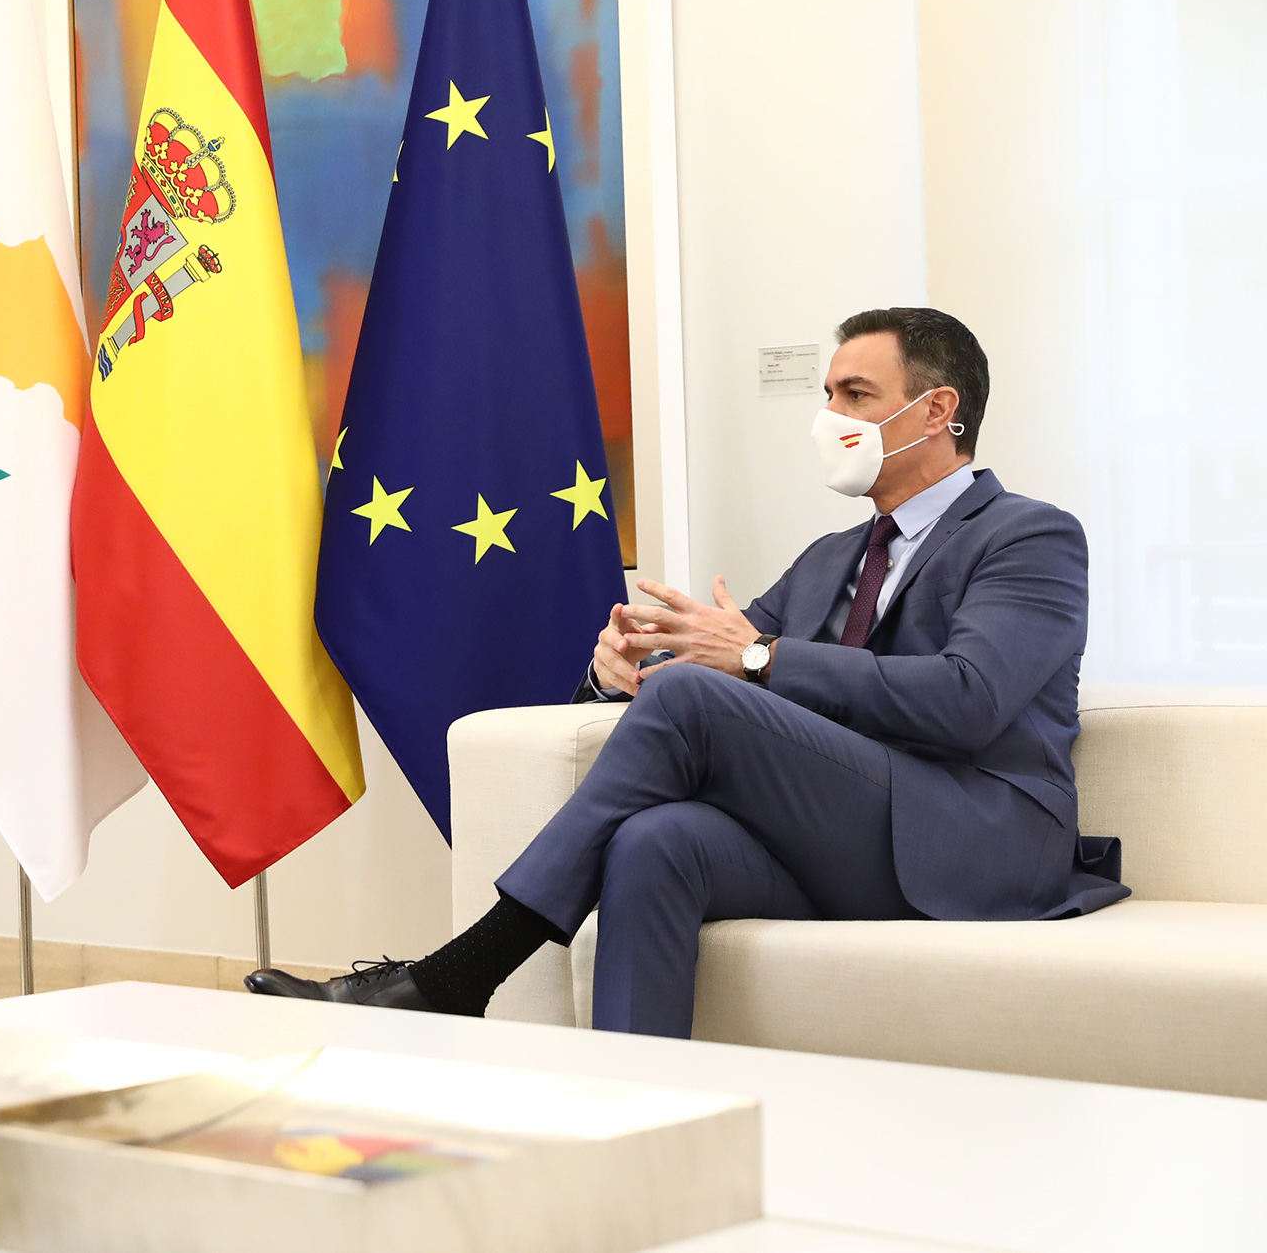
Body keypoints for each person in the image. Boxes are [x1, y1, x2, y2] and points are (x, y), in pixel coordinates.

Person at [248, 307, 1128, 1035]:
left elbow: (969, 702)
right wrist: (622, 669)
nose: (832, 416)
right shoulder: (831, 558)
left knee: (698, 695)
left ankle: (462, 971)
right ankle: (635, 1118)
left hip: (975, 838)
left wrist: (743, 656)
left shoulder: (1030, 536)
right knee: (654, 841)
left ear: (939, 412)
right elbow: (728, 671)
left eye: (857, 394)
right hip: (852, 837)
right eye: (827, 394)